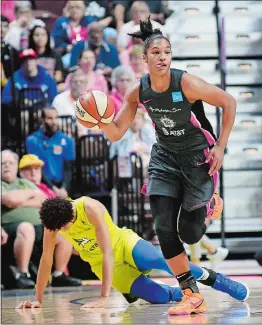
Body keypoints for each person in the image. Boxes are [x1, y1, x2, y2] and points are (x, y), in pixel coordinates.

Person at [97, 17, 238, 315]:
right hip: (164, 158)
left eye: (167, 52)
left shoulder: (185, 82)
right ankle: (191, 294)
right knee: (162, 226)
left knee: (190, 234)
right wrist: (96, 117)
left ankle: (210, 203)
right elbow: (114, 132)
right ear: (144, 58)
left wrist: (221, 146)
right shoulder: (138, 91)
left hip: (198, 157)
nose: (162, 57)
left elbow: (228, 101)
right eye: (156, 52)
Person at [16, 196, 248, 309]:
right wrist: (37, 299)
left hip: (122, 244)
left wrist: (104, 297)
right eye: (60, 229)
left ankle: (217, 280)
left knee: (161, 259)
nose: (64, 231)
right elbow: (46, 259)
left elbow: (108, 251)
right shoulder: (52, 222)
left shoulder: (89, 207)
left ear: (71, 213)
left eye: (66, 226)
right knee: (157, 297)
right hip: (102, 264)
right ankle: (184, 295)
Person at [26, 107, 75, 199]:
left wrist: (64, 188)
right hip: (42, 186)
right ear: (42, 120)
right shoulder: (32, 140)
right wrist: (52, 188)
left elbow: (68, 168)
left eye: (56, 118)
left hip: (62, 188)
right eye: (50, 118)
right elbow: (37, 168)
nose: (54, 122)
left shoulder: (67, 140)